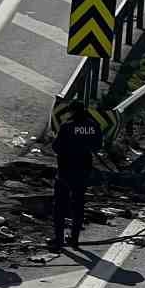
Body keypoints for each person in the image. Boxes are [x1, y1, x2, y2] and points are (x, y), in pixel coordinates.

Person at [51, 100, 102, 249]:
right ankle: (74, 239)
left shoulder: (67, 127)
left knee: (60, 206)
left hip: (65, 171)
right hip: (83, 171)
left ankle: (59, 240)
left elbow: (56, 147)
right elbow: (97, 146)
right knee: (78, 205)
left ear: (72, 111)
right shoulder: (93, 126)